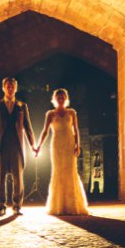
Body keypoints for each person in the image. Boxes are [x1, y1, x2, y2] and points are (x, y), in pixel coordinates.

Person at [34, 88, 91, 217]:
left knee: (71, 172)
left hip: (69, 144)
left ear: (66, 98)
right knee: (58, 172)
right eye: (58, 96)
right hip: (57, 146)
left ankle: (73, 205)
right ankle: (58, 206)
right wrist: (38, 146)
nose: (61, 98)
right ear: (55, 99)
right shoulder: (50, 114)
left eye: (63, 96)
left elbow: (76, 130)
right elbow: (45, 131)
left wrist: (78, 145)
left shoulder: (72, 113)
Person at [0, 76, 35, 216]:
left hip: (17, 146)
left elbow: (28, 127)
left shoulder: (22, 106)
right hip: (1, 146)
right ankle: (1, 206)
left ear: (16, 88)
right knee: (0, 177)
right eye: (8, 86)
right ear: (3, 88)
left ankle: (17, 206)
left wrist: (33, 145)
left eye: (12, 86)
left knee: (18, 177)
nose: (10, 88)